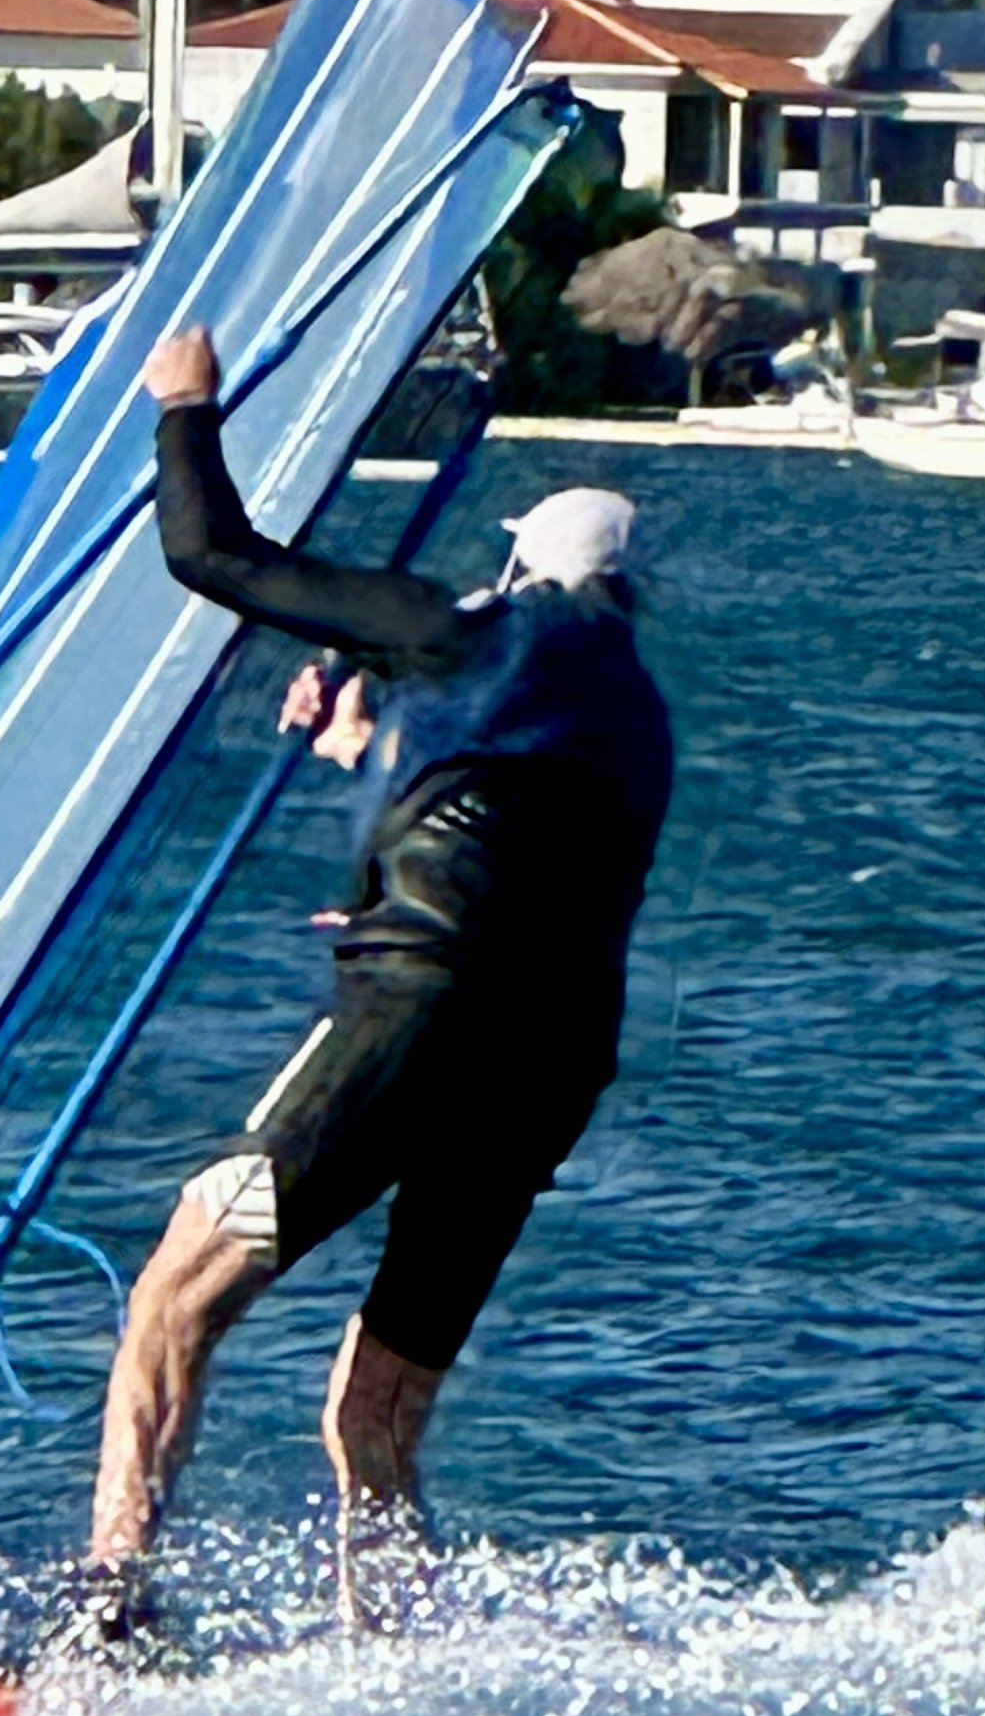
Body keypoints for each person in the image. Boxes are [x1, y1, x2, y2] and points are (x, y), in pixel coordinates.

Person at [88, 321, 673, 1607]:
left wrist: (186, 404)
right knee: (379, 1399)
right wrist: (364, 711)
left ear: (516, 569)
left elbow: (213, 553)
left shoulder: (465, 628)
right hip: (551, 1066)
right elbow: (504, 821)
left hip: (420, 1016)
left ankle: (108, 1610)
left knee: (177, 1293)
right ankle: (397, 1653)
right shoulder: (636, 712)